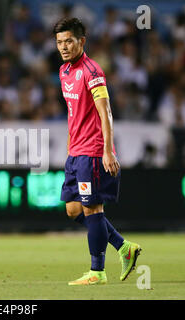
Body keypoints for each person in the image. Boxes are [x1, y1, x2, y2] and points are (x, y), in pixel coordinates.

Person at [54, 18, 141, 285]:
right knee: (72, 209)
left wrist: (107, 151)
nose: (64, 47)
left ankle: (97, 271)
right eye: (59, 42)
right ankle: (124, 247)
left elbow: (106, 112)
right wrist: (70, 142)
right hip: (76, 151)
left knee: (92, 209)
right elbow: (74, 113)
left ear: (82, 41)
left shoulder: (92, 71)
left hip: (93, 151)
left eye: (69, 41)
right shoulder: (64, 71)